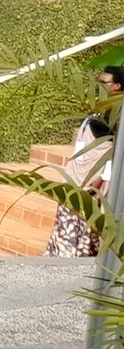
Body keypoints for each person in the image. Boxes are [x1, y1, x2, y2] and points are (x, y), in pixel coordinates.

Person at [48, 65, 121, 256]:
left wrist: (101, 181)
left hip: (92, 178)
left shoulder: (116, 115)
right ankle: (60, 252)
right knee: (67, 213)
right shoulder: (99, 108)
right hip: (76, 173)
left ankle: (75, 255)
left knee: (83, 216)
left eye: (104, 82)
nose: (99, 86)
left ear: (118, 86)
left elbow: (114, 151)